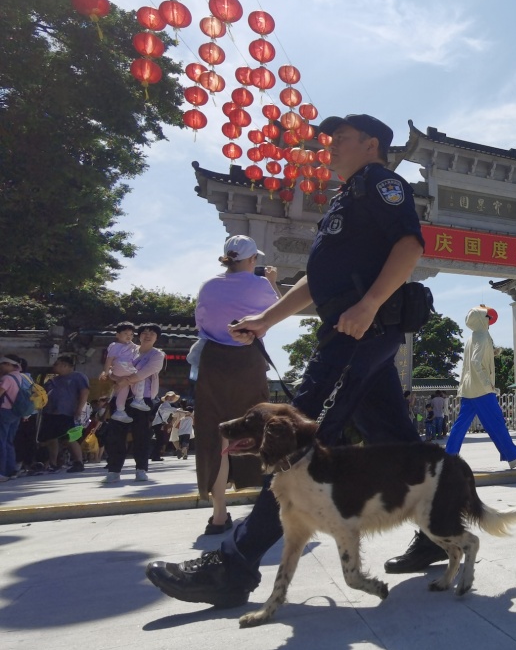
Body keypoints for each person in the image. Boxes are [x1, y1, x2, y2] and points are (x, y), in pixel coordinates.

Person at [146, 112, 441, 608]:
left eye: (340, 139)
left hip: (358, 332)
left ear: (371, 144)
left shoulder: (381, 181)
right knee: (395, 441)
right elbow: (318, 279)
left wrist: (368, 306)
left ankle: (235, 565)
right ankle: (439, 525)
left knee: (294, 438)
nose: (329, 147)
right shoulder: (345, 198)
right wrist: (266, 319)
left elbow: (410, 245)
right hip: (355, 330)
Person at [194, 235, 281, 535]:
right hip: (248, 360)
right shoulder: (260, 285)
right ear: (252, 259)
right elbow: (276, 313)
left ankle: (219, 516)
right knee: (257, 428)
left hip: (213, 361)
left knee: (215, 434)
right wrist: (271, 282)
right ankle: (266, 508)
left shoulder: (209, 285)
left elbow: (201, 323)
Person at [444, 306, 516, 468]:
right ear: (481, 320)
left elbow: (472, 361)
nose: (489, 321)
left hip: (469, 388)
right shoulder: (483, 336)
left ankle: (449, 456)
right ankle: (512, 455)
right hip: (481, 390)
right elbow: (476, 363)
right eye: (487, 318)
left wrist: (493, 352)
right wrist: (487, 383)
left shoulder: (473, 337)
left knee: (461, 425)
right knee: (496, 422)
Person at [103, 324, 166, 483]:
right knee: (116, 435)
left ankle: (141, 469)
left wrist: (126, 381)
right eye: (144, 332)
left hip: (142, 399)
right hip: (120, 398)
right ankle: (114, 470)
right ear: (138, 335)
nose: (148, 335)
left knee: (141, 435)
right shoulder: (128, 348)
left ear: (157, 337)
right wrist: (113, 377)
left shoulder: (157, 354)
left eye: (152, 333)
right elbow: (112, 366)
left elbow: (146, 372)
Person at [40, 355, 89, 473]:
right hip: (50, 412)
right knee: (51, 438)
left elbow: (84, 392)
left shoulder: (78, 377)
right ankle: (52, 463)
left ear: (64, 365)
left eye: (56, 364)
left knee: (68, 438)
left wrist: (79, 409)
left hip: (66, 412)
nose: (54, 366)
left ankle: (78, 462)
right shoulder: (53, 380)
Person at [99, 322, 148, 423]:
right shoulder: (115, 346)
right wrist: (106, 372)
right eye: (125, 333)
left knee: (123, 391)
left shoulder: (132, 345)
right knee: (140, 376)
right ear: (117, 335)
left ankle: (120, 411)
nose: (128, 336)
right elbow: (109, 359)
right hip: (122, 366)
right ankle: (138, 399)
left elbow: (140, 348)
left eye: (131, 334)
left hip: (124, 371)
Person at [0, 355, 28, 481]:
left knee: (1, 442)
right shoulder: (22, 377)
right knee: (9, 442)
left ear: (10, 365)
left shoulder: (7, 378)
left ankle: (2, 472)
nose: (1, 366)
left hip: (4, 411)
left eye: (3, 364)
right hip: (16, 413)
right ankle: (11, 470)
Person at [151, 391, 180, 461]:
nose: (171, 398)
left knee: (160, 440)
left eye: (172, 397)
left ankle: (155, 455)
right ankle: (155, 456)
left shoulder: (167, 405)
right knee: (160, 440)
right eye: (170, 397)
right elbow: (173, 410)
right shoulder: (165, 405)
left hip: (159, 424)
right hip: (158, 424)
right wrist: (183, 411)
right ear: (167, 397)